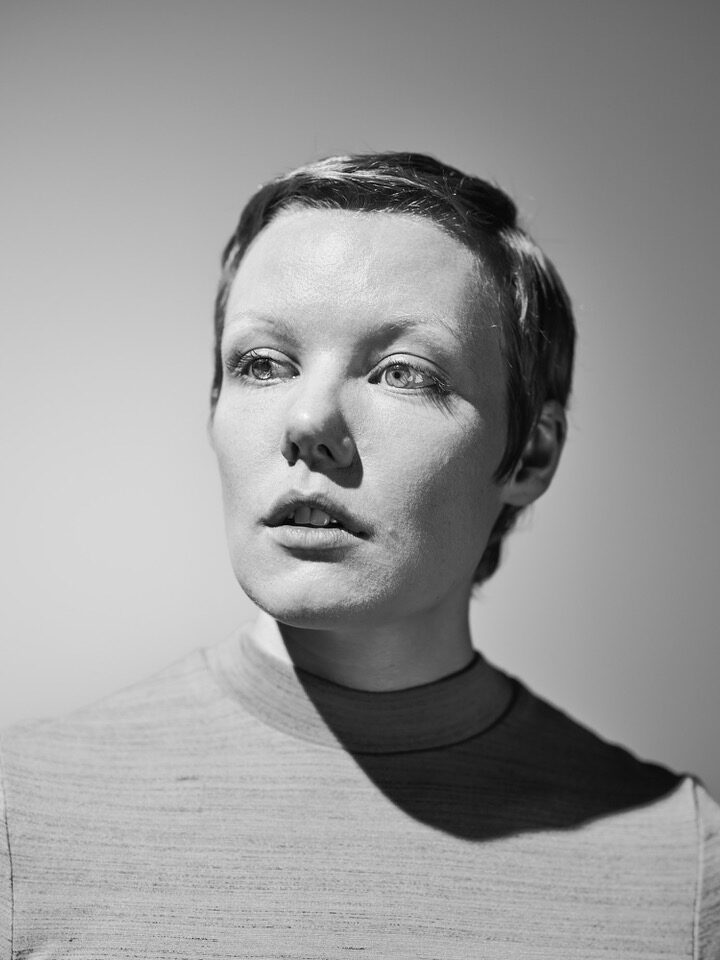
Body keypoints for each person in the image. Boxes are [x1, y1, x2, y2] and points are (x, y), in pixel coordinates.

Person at [1, 152, 718, 958]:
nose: (309, 422)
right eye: (262, 364)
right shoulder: (20, 821)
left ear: (532, 453)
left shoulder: (679, 869)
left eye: (403, 373)